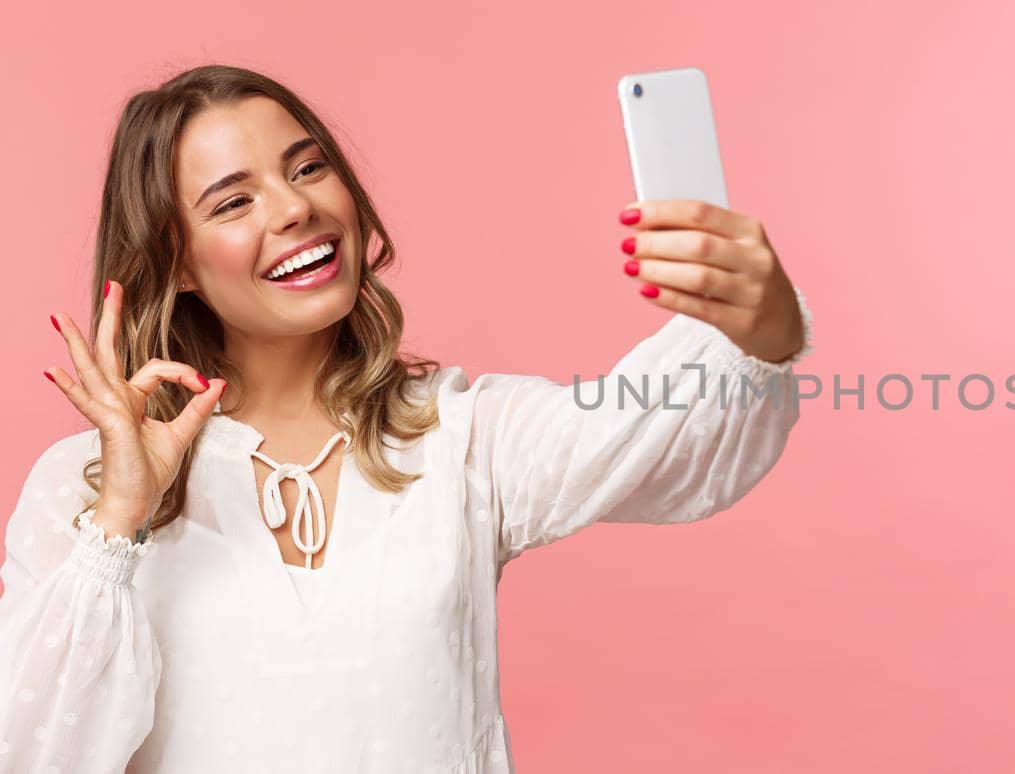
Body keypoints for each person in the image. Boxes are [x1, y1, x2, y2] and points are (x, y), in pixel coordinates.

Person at [0, 64, 812, 773]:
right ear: (174, 260)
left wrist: (762, 320)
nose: (294, 208)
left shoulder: (462, 437)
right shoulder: (80, 489)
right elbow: (34, 751)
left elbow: (659, 434)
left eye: (308, 167)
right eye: (234, 200)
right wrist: (118, 522)